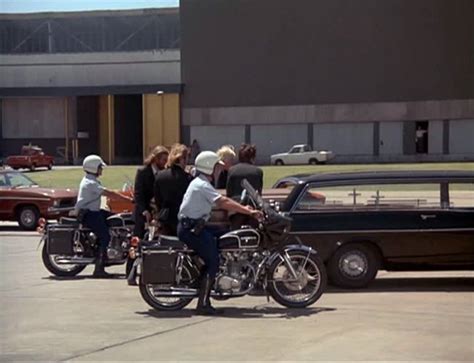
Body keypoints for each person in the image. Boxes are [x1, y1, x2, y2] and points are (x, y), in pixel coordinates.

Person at [177, 151, 263, 315]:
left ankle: (225, 271)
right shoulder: (201, 185)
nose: (219, 171)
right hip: (191, 230)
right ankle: (202, 304)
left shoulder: (201, 183)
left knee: (227, 235)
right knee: (213, 261)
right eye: (217, 167)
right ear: (209, 167)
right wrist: (247, 211)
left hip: (195, 226)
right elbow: (222, 202)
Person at [75, 155, 133, 278]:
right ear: (93, 167)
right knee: (105, 236)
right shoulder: (89, 183)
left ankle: (114, 246)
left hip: (94, 212)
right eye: (100, 167)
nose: (102, 169)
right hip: (89, 214)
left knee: (117, 218)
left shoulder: (92, 180)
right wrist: (128, 199)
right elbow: (108, 193)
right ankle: (99, 268)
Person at [154, 144, 192, 236]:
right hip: (183, 218)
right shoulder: (188, 178)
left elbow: (157, 199)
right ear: (182, 159)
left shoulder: (159, 176)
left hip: (165, 217)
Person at [133, 146, 169, 238]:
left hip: (158, 213)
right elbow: (138, 193)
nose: (165, 162)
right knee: (140, 237)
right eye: (163, 160)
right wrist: (144, 210)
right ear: (156, 159)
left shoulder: (164, 173)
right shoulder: (143, 172)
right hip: (144, 212)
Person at [226, 144, 263, 229]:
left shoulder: (232, 170)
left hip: (236, 209)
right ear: (253, 157)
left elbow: (229, 192)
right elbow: (259, 193)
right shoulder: (258, 171)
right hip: (252, 210)